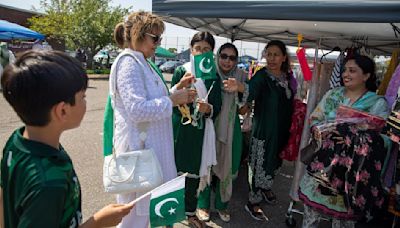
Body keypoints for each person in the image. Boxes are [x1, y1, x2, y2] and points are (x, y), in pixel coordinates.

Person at [0, 50, 134, 227]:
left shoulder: (17, 141)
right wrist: (97, 222)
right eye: (82, 97)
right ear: (62, 110)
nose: (85, 102)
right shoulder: (49, 184)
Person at [110, 11, 196, 228]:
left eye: (160, 38)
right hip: (140, 153)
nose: (158, 43)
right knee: (135, 217)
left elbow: (153, 99)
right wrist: (173, 100)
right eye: (155, 38)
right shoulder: (129, 63)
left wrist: (177, 90)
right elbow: (137, 110)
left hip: (150, 151)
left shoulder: (141, 61)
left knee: (145, 215)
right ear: (138, 34)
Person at [299, 54, 390, 228]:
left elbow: (384, 140)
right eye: (345, 70)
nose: (345, 74)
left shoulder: (378, 104)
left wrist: (351, 134)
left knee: (343, 220)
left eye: (352, 70)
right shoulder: (333, 94)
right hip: (323, 166)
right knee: (311, 215)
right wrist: (325, 129)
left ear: (367, 75)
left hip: (352, 173)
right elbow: (315, 119)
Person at [225, 40, 295, 220]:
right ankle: (253, 200)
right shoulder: (262, 76)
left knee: (274, 162)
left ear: (284, 57)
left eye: (276, 54)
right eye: (268, 54)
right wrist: (238, 86)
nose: (271, 58)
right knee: (258, 164)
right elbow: (251, 88)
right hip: (264, 129)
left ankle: (265, 188)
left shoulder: (287, 77)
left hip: (281, 130)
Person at [171, 31, 222, 228]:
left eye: (206, 49)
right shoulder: (181, 72)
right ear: (191, 50)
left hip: (200, 133)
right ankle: (170, 212)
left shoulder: (214, 77)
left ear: (212, 52)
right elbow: (169, 100)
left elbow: (216, 106)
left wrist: (207, 108)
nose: (201, 52)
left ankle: (190, 212)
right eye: (198, 48)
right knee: (173, 171)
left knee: (193, 173)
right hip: (179, 130)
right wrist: (181, 92)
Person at [196, 43, 247, 223]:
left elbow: (245, 106)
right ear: (217, 56)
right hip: (210, 127)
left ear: (236, 61)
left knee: (227, 167)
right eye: (223, 56)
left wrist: (240, 88)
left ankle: (222, 205)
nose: (227, 61)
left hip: (232, 129)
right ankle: (202, 204)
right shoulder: (209, 73)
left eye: (232, 58)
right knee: (207, 166)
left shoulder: (241, 76)